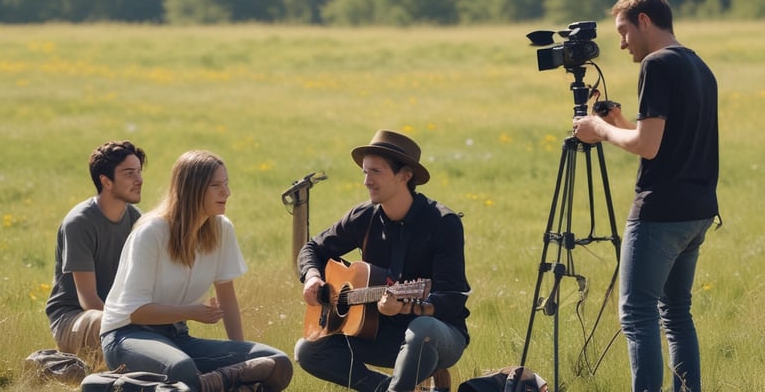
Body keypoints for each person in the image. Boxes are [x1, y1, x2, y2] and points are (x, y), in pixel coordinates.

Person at [573, 0, 719, 392]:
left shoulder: (656, 64)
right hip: (698, 210)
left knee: (637, 315)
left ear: (644, 21)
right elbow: (666, 144)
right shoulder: (698, 65)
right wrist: (620, 123)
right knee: (676, 313)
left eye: (622, 31)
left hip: (660, 214)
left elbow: (648, 147)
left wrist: (598, 129)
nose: (620, 43)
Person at [99, 150, 293, 392]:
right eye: (216, 186)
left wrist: (242, 357)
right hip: (127, 336)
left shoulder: (222, 229)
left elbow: (227, 296)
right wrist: (192, 311)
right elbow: (136, 313)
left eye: (226, 184)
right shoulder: (151, 232)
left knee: (278, 362)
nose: (226, 193)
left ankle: (212, 384)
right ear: (192, 189)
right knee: (181, 370)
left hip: (177, 337)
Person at [295, 129, 470, 392]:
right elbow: (312, 248)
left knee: (421, 329)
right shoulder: (363, 217)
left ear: (405, 175)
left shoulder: (443, 223)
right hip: (381, 334)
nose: (366, 181)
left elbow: (453, 299)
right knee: (308, 349)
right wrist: (312, 277)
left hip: (437, 336)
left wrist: (405, 308)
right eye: (364, 172)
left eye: (375, 172)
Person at [45, 140, 147, 365]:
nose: (139, 179)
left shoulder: (136, 219)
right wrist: (132, 322)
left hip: (119, 315)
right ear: (106, 181)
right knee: (105, 323)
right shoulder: (80, 222)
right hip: (75, 318)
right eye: (129, 173)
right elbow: (88, 299)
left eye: (139, 171)